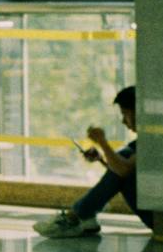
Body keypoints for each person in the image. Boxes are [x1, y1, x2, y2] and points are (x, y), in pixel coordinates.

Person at [35, 86, 146, 238]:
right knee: (123, 157)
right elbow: (123, 172)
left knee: (124, 155)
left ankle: (76, 216)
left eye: (125, 114)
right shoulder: (144, 141)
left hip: (159, 215)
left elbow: (124, 170)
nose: (123, 121)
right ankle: (83, 215)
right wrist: (101, 159)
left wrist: (103, 142)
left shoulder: (151, 141)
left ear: (137, 112)